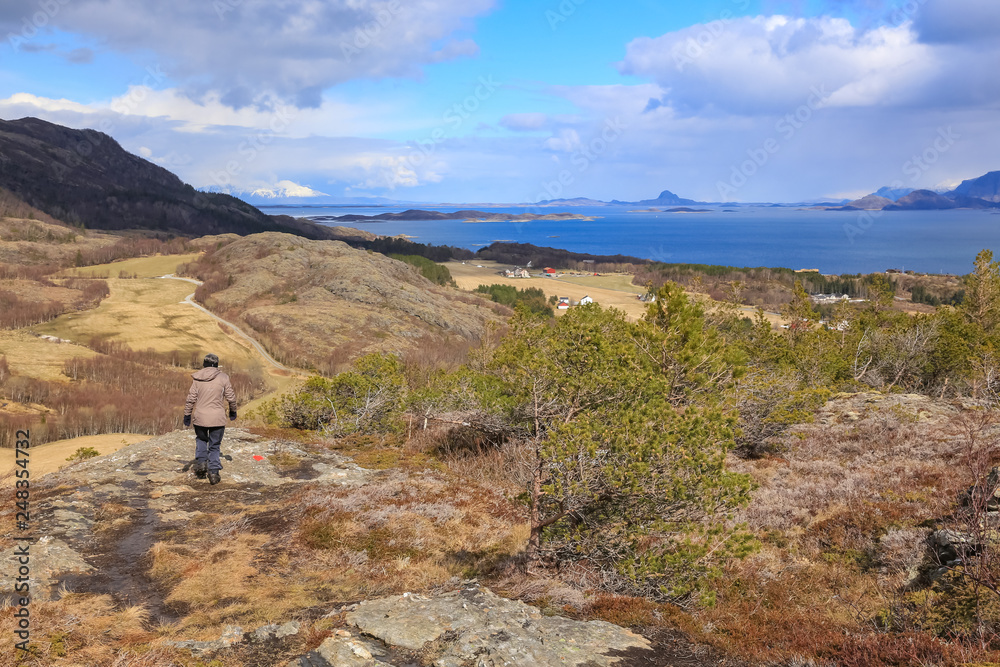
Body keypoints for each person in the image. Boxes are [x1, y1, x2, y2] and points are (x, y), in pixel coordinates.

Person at [183, 353, 237, 485]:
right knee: (215, 446)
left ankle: (201, 463)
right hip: (217, 418)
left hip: (200, 417)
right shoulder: (223, 378)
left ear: (204, 364)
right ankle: (213, 473)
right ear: (216, 365)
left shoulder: (197, 379)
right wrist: (233, 411)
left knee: (201, 439)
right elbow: (231, 398)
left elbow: (191, 399)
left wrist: (187, 415)